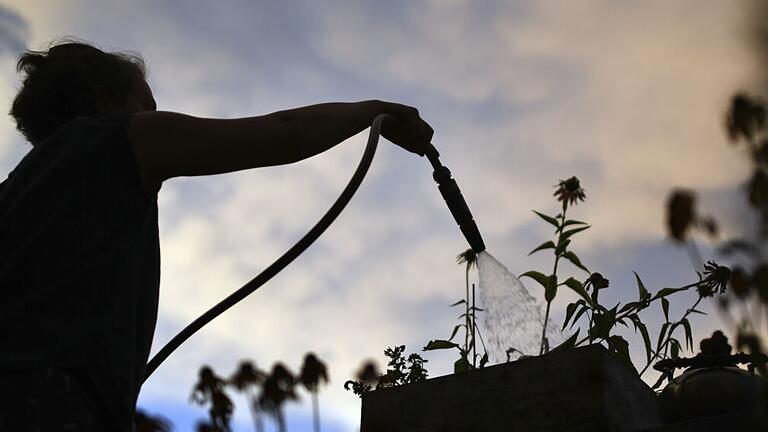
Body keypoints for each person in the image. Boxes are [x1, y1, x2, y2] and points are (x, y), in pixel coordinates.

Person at [0, 40, 433, 431]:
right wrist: (375, 110)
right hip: (51, 400)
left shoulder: (11, 196)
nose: (152, 117)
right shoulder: (121, 138)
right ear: (103, 98)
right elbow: (286, 134)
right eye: (146, 107)